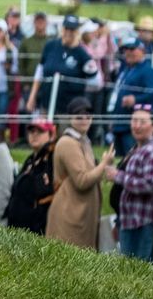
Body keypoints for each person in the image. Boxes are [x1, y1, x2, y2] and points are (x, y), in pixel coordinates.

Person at [107, 106, 153, 262]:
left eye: (142, 122)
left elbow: (152, 184)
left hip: (142, 222)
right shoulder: (137, 148)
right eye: (134, 120)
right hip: (128, 219)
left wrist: (118, 176)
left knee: (136, 273)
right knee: (131, 270)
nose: (137, 125)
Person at [47, 97, 116, 251]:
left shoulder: (83, 141)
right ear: (70, 117)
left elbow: (90, 174)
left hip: (80, 217)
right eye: (79, 116)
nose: (85, 119)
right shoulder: (68, 143)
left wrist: (105, 167)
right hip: (69, 217)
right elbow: (82, 181)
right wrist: (104, 163)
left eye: (88, 115)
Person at [29, 14, 94, 121]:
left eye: (72, 29)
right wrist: (32, 96)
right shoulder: (50, 46)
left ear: (77, 31)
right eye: (66, 28)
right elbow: (40, 71)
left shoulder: (82, 54)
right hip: (46, 104)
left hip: (68, 110)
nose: (69, 32)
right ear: (62, 29)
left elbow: (95, 80)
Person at [108, 34, 153, 155]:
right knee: (120, 159)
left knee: (133, 156)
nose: (128, 52)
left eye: (132, 49)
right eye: (125, 49)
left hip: (135, 126)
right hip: (119, 123)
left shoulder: (149, 71)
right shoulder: (125, 70)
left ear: (142, 51)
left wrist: (136, 100)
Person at [5, 118, 59, 233]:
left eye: (40, 132)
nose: (34, 135)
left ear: (51, 135)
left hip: (36, 229)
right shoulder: (30, 160)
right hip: (16, 226)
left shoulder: (52, 159)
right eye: (31, 131)